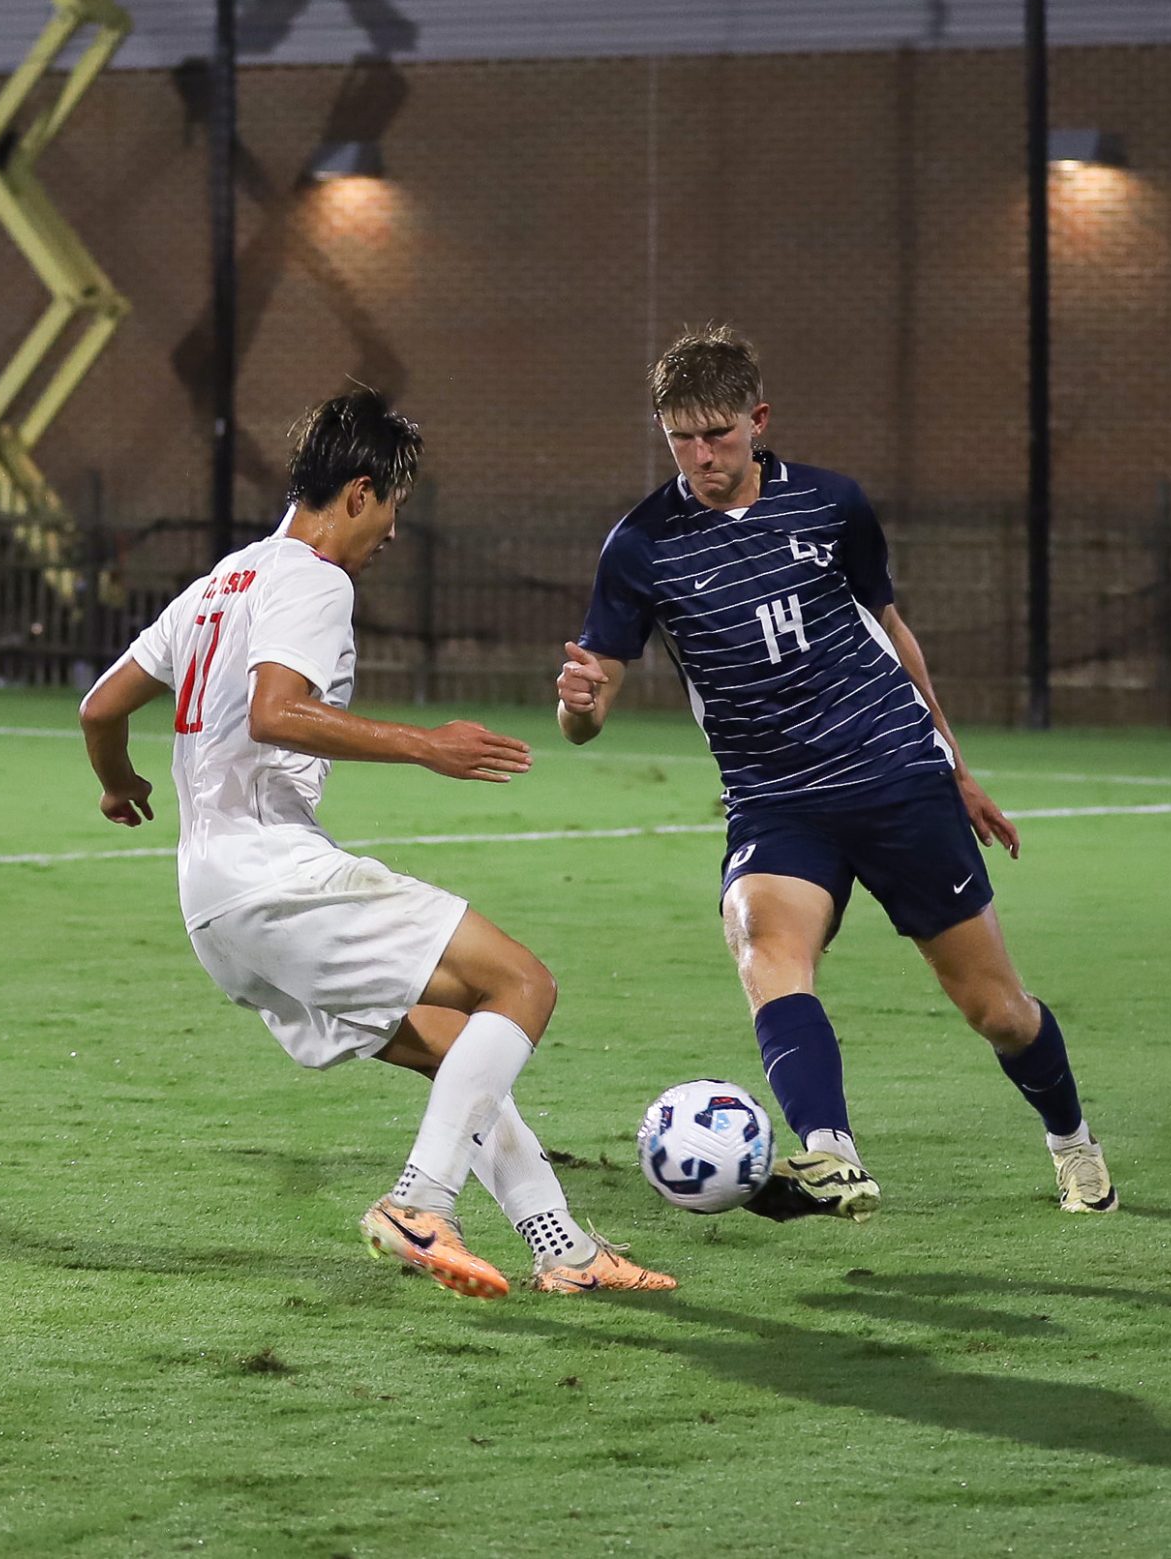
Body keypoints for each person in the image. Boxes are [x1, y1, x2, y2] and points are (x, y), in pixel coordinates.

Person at [77, 390, 675, 1298]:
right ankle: (419, 1202)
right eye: (393, 505)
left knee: (455, 1050)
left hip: (211, 907)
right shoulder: (315, 579)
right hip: (277, 876)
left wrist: (119, 783)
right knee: (521, 984)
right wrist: (427, 746)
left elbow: (100, 707)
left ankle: (565, 1250)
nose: (394, 529)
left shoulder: (218, 583)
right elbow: (279, 711)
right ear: (358, 493)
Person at [555, 326, 1117, 1219]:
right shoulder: (641, 545)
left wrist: (957, 769)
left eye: (719, 435)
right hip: (775, 797)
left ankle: (1073, 1140)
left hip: (893, 770)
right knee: (762, 942)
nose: (701, 456)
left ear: (759, 419)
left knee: (998, 1010)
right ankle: (830, 1152)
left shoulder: (833, 504)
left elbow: (894, 635)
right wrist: (580, 704)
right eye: (680, 439)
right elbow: (587, 713)